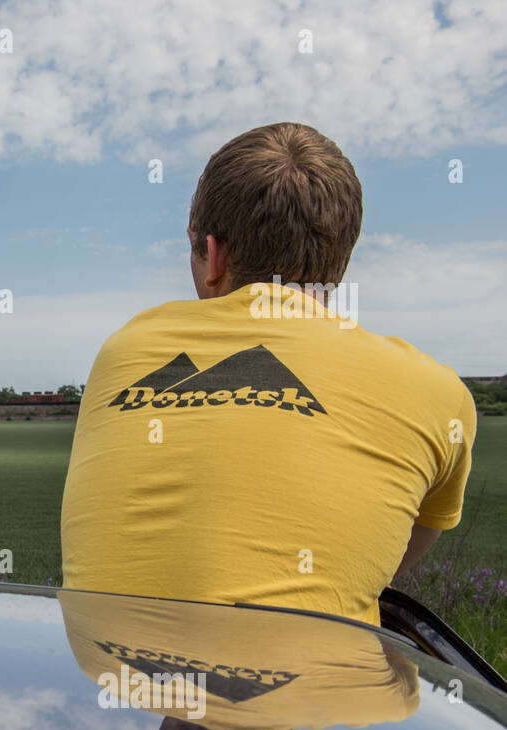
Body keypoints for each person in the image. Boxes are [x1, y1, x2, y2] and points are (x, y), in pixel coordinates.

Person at [60, 122, 476, 626]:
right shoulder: (438, 394)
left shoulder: (123, 350)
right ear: (341, 259)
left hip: (114, 684)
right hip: (320, 695)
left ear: (214, 256)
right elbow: (398, 549)